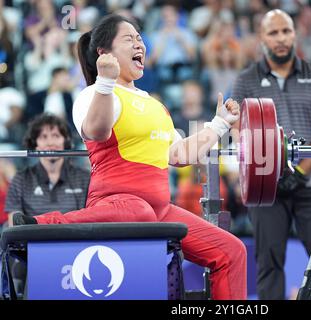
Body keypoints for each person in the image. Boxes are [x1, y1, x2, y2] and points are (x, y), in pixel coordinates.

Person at [12, 14, 246, 300]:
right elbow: (97, 132)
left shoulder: (155, 105)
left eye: (139, 38)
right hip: (117, 204)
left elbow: (179, 154)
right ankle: (40, 227)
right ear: (104, 53)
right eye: (129, 38)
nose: (140, 44)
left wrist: (219, 124)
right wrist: (105, 82)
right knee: (141, 212)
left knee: (232, 251)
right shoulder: (92, 95)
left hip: (158, 211)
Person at [231, 9, 311, 300]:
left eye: (286, 31)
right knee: (268, 264)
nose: (281, 38)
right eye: (273, 32)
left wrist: (300, 172)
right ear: (261, 38)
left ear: (294, 34)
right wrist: (265, 173)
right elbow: (240, 133)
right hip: (265, 188)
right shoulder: (246, 80)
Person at [6, 113, 90, 222]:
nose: (50, 143)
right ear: (35, 144)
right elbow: (14, 222)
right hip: (32, 238)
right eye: (43, 137)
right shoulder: (20, 179)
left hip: (73, 237)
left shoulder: (85, 178)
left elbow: (90, 219)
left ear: (66, 141)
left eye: (56, 136)